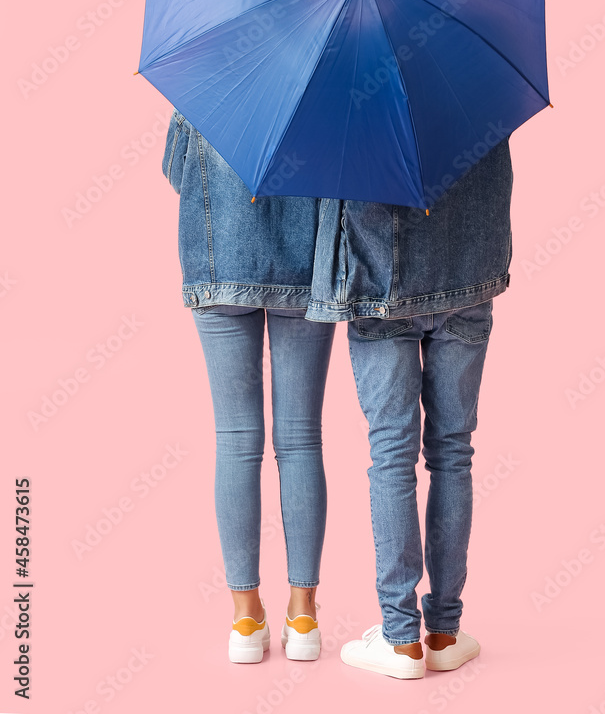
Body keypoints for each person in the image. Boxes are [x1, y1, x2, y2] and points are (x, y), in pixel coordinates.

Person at [305, 134, 514, 680]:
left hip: (381, 283)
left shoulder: (354, 93)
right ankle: (444, 632)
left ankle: (401, 642)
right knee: (452, 453)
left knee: (392, 457)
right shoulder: (475, 78)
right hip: (469, 282)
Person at [162, 108, 335, 664]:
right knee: (302, 439)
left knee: (236, 440)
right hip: (305, 269)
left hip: (217, 264)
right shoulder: (326, 79)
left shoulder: (207, 80)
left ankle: (245, 618)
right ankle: (303, 615)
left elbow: (175, 170)